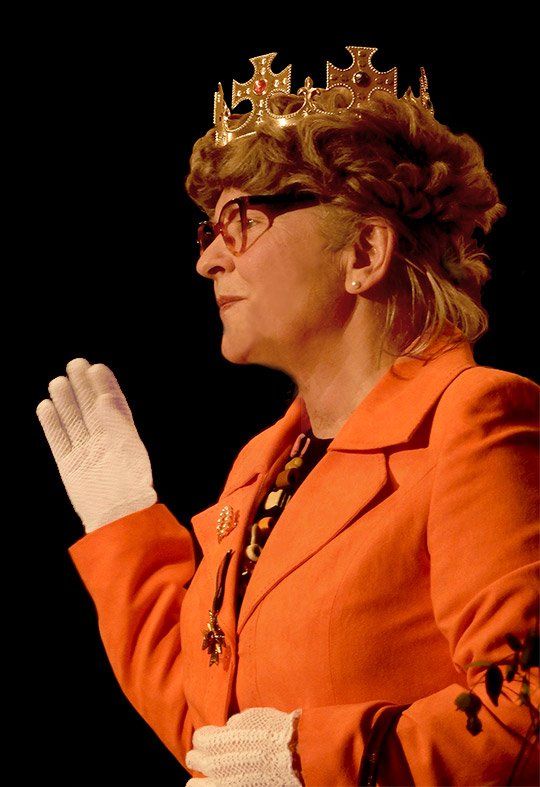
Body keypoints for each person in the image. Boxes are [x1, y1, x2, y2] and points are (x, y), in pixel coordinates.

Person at [36, 46, 539, 786]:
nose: (209, 261)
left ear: (363, 250)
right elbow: (213, 738)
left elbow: (524, 709)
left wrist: (322, 755)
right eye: (208, 230)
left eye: (240, 219)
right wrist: (122, 519)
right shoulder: (263, 466)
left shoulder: (472, 421)